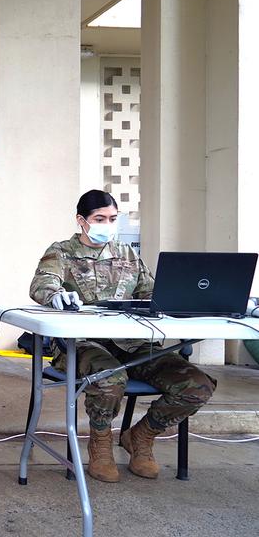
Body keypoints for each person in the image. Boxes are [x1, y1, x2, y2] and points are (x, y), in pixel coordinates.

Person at [29, 189, 216, 483]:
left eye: (113, 218)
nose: (107, 224)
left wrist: (182, 300)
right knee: (110, 378)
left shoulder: (127, 254)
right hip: (84, 346)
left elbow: (153, 293)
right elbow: (42, 284)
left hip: (135, 345)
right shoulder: (62, 252)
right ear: (82, 220)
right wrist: (55, 296)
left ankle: (141, 437)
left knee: (197, 385)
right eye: (99, 218)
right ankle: (100, 442)